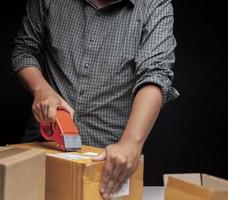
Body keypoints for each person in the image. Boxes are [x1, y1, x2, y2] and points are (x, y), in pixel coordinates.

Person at [11, 0, 179, 198]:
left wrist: (131, 142)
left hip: (104, 158)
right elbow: (24, 49)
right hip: (42, 145)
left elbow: (156, 73)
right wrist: (42, 90)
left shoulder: (154, 5)